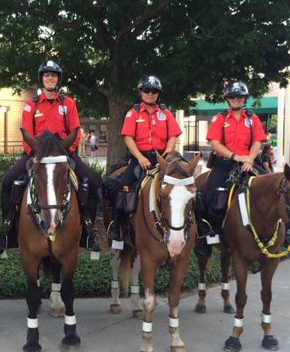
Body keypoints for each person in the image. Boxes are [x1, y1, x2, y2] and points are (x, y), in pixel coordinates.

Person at [0, 59, 100, 252]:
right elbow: (26, 132)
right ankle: (9, 232)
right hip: (36, 156)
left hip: (63, 156)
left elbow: (75, 131)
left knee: (92, 186)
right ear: (41, 79)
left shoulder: (69, 103)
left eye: (53, 75)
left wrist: (65, 152)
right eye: (46, 75)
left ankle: (87, 234)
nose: (50, 78)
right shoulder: (31, 105)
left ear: (58, 79)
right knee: (8, 182)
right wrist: (36, 153)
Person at [196, 80, 267, 258]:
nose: (236, 99)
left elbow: (257, 142)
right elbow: (214, 143)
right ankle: (206, 237)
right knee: (207, 195)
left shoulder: (253, 119)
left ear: (245, 98)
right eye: (232, 96)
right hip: (224, 164)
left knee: (274, 188)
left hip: (248, 163)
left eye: (239, 96)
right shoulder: (219, 118)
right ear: (227, 98)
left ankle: (280, 232)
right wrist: (236, 156)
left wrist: (249, 159)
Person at [107, 75, 182, 241]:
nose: (150, 94)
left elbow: (173, 136)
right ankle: (117, 224)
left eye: (154, 91)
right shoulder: (133, 113)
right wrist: (140, 158)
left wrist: (167, 155)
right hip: (139, 157)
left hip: (163, 157)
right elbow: (128, 137)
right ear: (140, 92)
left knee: (186, 183)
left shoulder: (166, 113)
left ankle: (193, 225)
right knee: (122, 186)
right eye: (147, 90)